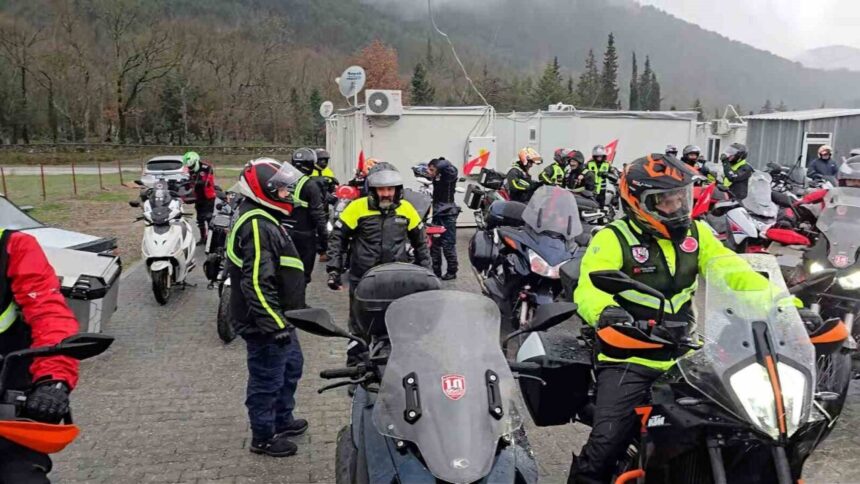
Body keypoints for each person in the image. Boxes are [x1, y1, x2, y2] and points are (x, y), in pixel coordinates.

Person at [568, 153, 818, 483]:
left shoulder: (696, 235)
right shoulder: (613, 238)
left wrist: (783, 305)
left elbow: (735, 273)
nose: (677, 206)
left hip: (686, 355)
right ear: (638, 203)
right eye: (666, 200)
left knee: (743, 427)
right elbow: (590, 288)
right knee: (605, 445)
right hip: (628, 355)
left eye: (680, 197)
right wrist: (607, 313)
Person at [227, 158, 308, 457]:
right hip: (265, 324)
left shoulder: (264, 217)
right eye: (282, 189)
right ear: (263, 189)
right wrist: (274, 324)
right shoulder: (257, 224)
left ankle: (282, 419)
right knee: (267, 379)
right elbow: (256, 282)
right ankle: (263, 437)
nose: (287, 193)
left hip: (279, 318)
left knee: (291, 367)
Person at [326, 162, 431, 363]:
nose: (386, 194)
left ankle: (397, 366)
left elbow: (421, 244)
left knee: (398, 322)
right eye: (381, 189)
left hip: (396, 278)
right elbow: (337, 239)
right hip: (363, 278)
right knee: (359, 326)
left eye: (390, 189)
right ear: (372, 190)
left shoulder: (407, 209)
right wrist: (333, 270)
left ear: (397, 190)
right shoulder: (356, 208)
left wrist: (427, 274)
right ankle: (356, 367)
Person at [0, 229, 80, 483]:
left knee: (20, 476)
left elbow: (49, 315)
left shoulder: (14, 246)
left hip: (6, 398)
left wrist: (53, 381)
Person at [287, 148, 329, 283]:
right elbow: (319, 215)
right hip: (304, 235)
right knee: (303, 274)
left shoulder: (282, 181)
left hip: (282, 232)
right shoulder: (310, 185)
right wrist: (325, 242)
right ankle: (298, 302)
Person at [426, 157, 460, 280]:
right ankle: (436, 271)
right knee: (435, 244)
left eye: (431, 170)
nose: (429, 173)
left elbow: (448, 165)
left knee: (448, 244)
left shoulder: (449, 174)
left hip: (448, 214)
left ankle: (452, 271)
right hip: (438, 213)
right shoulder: (438, 175)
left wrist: (439, 166)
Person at [182, 151, 217, 245]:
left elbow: (205, 182)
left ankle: (212, 238)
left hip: (208, 196)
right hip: (198, 197)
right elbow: (187, 181)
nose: (190, 168)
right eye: (189, 167)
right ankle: (203, 237)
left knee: (208, 217)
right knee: (200, 218)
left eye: (192, 166)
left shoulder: (207, 168)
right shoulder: (189, 170)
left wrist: (193, 182)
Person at [312, 149, 338, 263]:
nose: (323, 163)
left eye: (326, 160)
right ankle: (319, 250)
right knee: (315, 228)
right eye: (321, 160)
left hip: (325, 205)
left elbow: (333, 187)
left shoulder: (328, 171)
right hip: (313, 204)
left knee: (324, 228)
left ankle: (323, 251)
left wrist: (335, 191)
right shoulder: (310, 171)